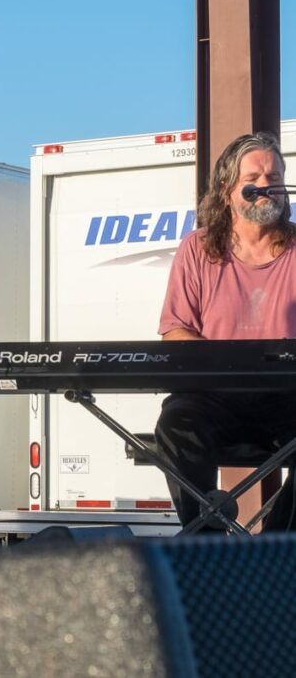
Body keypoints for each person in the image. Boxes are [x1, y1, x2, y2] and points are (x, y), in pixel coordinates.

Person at [156, 130, 296, 532]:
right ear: (227, 188)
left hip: (286, 396)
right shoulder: (196, 248)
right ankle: (209, 537)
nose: (266, 186)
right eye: (254, 178)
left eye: (275, 176)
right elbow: (176, 331)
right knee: (175, 425)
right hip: (215, 398)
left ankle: (279, 544)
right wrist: (227, 364)